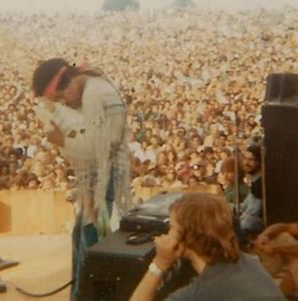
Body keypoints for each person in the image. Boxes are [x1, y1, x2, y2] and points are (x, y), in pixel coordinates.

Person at [32, 58, 132, 300]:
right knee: (82, 236)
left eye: (61, 97)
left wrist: (63, 140)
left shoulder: (95, 95)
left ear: (69, 82)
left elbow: (103, 148)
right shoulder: (90, 90)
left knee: (92, 243)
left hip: (105, 176)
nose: (64, 103)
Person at [131, 192, 284, 301]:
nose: (167, 232)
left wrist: (159, 264)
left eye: (172, 227)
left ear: (187, 238)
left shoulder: (203, 292)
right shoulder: (249, 262)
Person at [255, 216, 298, 298]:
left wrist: (274, 249)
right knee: (283, 236)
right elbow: (285, 227)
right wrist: (264, 235)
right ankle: (265, 274)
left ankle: (276, 296)